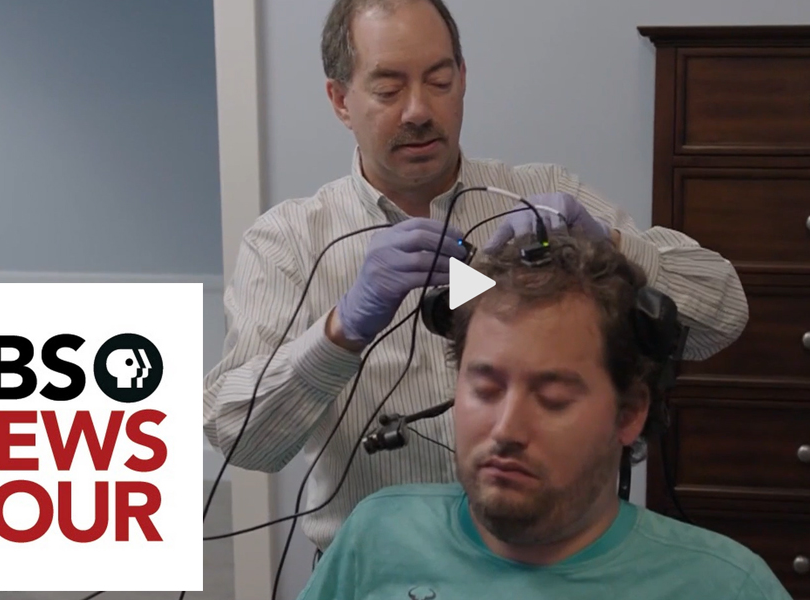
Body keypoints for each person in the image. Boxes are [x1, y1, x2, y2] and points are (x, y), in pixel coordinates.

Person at [202, 0, 749, 554]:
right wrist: (340, 330)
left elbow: (724, 314)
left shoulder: (538, 195)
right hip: (384, 572)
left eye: (439, 82)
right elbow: (240, 440)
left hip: (554, 567)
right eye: (388, 90)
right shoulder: (288, 242)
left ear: (462, 79)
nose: (419, 110)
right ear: (341, 100)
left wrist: (613, 248)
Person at [294, 230, 789, 600]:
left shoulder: (724, 586)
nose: (507, 429)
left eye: (553, 398)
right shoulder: (378, 536)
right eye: (485, 389)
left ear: (629, 413)